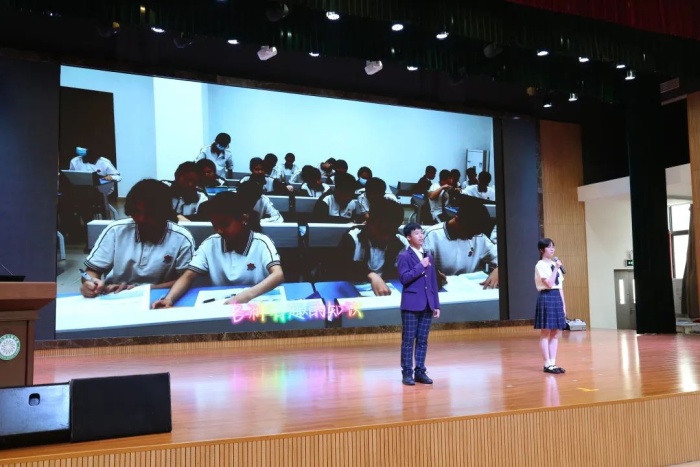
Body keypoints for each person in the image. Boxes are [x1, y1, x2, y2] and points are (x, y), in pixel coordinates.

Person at [151, 192, 284, 308]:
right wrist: (169, 299)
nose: (219, 230)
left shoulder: (262, 243)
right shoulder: (210, 244)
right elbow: (188, 276)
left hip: (255, 305)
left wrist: (246, 296)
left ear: (243, 219)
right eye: (215, 225)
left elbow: (278, 275)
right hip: (221, 306)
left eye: (225, 224)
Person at [80, 179, 195, 298]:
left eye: (149, 213)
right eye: (135, 212)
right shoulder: (116, 231)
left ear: (163, 212)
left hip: (160, 297)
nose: (141, 218)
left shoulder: (181, 238)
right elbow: (92, 270)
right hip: (115, 295)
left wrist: (139, 290)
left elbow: (186, 279)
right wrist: (91, 283)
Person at [396, 223, 440, 386]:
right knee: (408, 340)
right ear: (408, 237)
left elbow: (433, 282)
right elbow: (404, 278)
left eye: (422, 233)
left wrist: (436, 304)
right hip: (411, 304)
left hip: (427, 304)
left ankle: (420, 371)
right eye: (416, 233)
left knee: (422, 340)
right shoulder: (404, 256)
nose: (421, 236)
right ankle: (407, 372)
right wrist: (421, 265)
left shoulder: (428, 255)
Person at [422, 199, 498, 289]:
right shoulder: (432, 235)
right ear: (457, 220)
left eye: (474, 233)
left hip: (470, 288)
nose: (471, 238)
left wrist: (498, 270)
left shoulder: (478, 236)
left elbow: (500, 258)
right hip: (441, 288)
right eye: (469, 232)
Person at [336, 198, 405, 295]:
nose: (387, 237)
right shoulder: (353, 237)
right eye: (383, 230)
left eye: (392, 231)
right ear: (370, 222)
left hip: (390, 293)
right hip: (352, 291)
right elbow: (340, 270)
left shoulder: (400, 242)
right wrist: (371, 275)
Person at [534, 238, 566, 374]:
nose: (552, 249)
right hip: (546, 296)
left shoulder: (554, 264)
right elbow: (549, 283)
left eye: (553, 246)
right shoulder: (540, 265)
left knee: (555, 333)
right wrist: (556, 268)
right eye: (549, 247)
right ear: (542, 250)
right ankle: (547, 364)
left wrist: (563, 305)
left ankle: (553, 362)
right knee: (546, 332)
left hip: (556, 297)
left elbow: (559, 287)